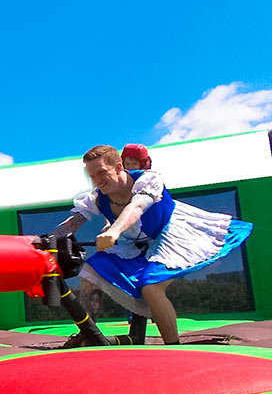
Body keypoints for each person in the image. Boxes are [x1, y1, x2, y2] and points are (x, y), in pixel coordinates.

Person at [51, 145, 252, 344]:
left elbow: (137, 207)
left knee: (151, 286)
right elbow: (73, 222)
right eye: (92, 176)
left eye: (102, 172)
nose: (97, 181)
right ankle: (88, 333)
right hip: (132, 244)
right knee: (90, 271)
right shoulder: (97, 197)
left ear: (119, 167)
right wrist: (44, 240)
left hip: (169, 236)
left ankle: (173, 347)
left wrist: (113, 231)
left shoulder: (148, 179)